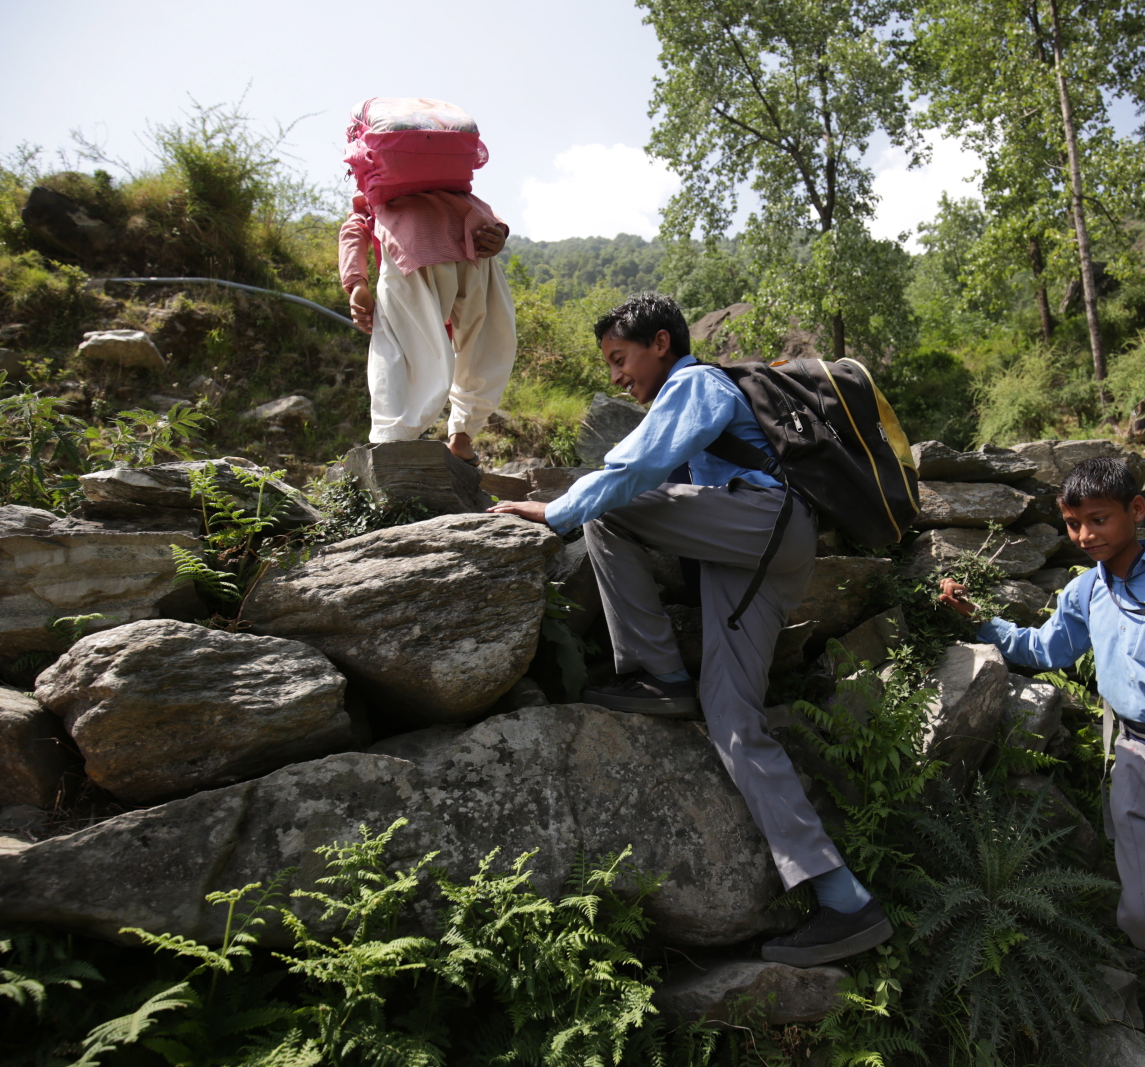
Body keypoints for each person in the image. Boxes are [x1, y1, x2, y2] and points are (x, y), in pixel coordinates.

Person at [487, 292, 893, 968]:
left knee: (606, 509)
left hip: (762, 522)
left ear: (662, 345)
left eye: (621, 359)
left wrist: (556, 509)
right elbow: (678, 496)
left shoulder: (695, 382)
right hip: (761, 548)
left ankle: (659, 671)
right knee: (733, 719)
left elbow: (634, 472)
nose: (616, 376)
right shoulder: (689, 397)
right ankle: (844, 898)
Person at [938, 457, 1145, 1067]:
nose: (1087, 534)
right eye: (1074, 524)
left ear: (1136, 511)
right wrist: (979, 621)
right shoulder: (1086, 589)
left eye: (1099, 519)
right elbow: (1045, 648)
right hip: (1137, 765)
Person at [338, 181, 516, 465]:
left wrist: (356, 282)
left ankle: (392, 441)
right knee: (487, 342)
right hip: (474, 241)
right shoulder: (441, 168)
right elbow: (478, 206)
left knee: (397, 344)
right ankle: (462, 437)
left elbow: (355, 228)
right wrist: (498, 231)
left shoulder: (382, 181)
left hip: (411, 241)